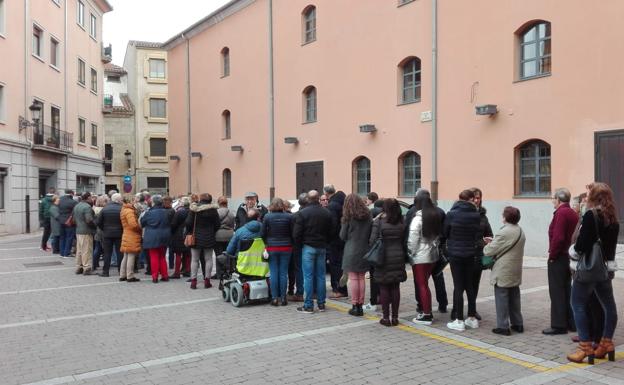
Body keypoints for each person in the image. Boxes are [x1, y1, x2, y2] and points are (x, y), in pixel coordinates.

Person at [567, 182, 619, 364]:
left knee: (577, 304)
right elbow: (611, 249)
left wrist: (572, 252)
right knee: (609, 306)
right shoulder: (613, 218)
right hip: (604, 269)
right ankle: (606, 343)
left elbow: (582, 245)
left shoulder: (591, 215)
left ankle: (585, 347)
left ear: (593, 197)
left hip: (588, 269)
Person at [483, 206, 526, 336]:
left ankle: (503, 326)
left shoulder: (504, 232)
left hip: (503, 270)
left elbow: (489, 251)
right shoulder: (519, 230)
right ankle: (518, 324)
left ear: (506, 217)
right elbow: (506, 244)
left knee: (501, 297)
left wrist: (488, 244)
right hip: (515, 269)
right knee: (514, 297)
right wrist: (494, 241)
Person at [405, 189, 449, 314]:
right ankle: (443, 303)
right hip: (435, 252)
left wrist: (409, 253)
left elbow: (409, 234)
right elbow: (444, 232)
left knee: (420, 283)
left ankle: (422, 307)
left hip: (419, 254)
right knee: (438, 278)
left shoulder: (414, 213)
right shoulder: (438, 212)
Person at [543, 188, 579, 335]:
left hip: (559, 257)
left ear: (558, 200)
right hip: (568, 256)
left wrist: (552, 255)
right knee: (567, 290)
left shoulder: (561, 213)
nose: (552, 200)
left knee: (557, 291)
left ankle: (558, 325)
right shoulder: (572, 212)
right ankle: (571, 322)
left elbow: (558, 238)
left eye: (553, 198)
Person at [444, 189, 481, 331]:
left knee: (458, 287)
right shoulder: (476, 215)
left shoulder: (452, 214)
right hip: (470, 253)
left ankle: (459, 320)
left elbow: (445, 232)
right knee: (469, 286)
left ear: (459, 199)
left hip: (455, 254)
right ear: (471, 199)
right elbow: (477, 233)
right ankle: (471, 318)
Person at [293, 190, 335, 314]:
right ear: (318, 199)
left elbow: (296, 234)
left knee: (308, 276)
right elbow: (332, 231)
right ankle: (321, 304)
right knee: (321, 276)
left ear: (308, 200)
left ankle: (308, 305)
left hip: (308, 247)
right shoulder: (326, 213)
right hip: (321, 246)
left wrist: (300, 244)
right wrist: (325, 242)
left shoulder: (302, 213)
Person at [370, 198, 407, 326]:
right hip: (398, 256)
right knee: (395, 287)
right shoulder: (402, 221)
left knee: (384, 286)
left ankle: (386, 318)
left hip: (383, 257)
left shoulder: (379, 221)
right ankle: (395, 317)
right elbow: (405, 240)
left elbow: (372, 240)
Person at [339, 193, 372, 317]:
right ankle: (361, 305)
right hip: (364, 249)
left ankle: (355, 305)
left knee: (353, 278)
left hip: (351, 250)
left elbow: (342, 236)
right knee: (361, 278)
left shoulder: (348, 216)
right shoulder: (368, 214)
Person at [262, 197, 294, 306]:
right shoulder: (289, 217)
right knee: (283, 273)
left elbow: (262, 233)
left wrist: (266, 242)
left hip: (272, 248)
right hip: (286, 247)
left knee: (273, 273)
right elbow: (293, 233)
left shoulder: (267, 217)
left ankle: (275, 298)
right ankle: (284, 298)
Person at [185, 193, 220, 289]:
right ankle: (207, 281)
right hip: (209, 237)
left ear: (200, 199)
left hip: (196, 237)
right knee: (208, 259)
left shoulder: (194, 209)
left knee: (194, 260)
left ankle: (193, 281)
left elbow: (188, 222)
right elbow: (218, 224)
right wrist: (212, 231)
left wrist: (190, 231)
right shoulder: (213, 210)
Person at [469, 187, 493, 321]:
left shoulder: (483, 216)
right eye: (474, 198)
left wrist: (487, 240)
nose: (476, 200)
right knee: (460, 285)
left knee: (474, 284)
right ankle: (457, 310)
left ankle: (472, 310)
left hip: (478, 255)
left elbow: (489, 234)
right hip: (464, 254)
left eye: (478, 198)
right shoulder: (461, 213)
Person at [140, 195, 172, 283]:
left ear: (153, 202)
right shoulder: (167, 212)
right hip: (164, 235)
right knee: (162, 256)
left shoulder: (149, 212)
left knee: (154, 256)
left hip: (152, 236)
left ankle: (155, 277)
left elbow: (142, 223)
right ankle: (165, 275)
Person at [324, 184, 348, 298]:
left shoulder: (332, 205)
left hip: (335, 240)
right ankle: (343, 288)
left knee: (335, 265)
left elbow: (332, 225)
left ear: (326, 193)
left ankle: (338, 289)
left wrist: (328, 238)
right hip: (344, 238)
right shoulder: (343, 201)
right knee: (341, 265)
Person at [97, 193, 123, 277]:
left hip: (107, 234)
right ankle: (121, 271)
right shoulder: (121, 208)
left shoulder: (105, 209)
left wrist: (104, 229)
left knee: (107, 253)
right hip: (119, 233)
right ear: (118, 200)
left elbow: (98, 222)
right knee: (119, 253)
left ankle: (105, 272)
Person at [288, 193, 308, 302]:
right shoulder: (318, 212)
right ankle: (314, 293)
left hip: (298, 246)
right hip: (314, 244)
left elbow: (293, 233)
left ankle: (300, 292)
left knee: (299, 269)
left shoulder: (295, 216)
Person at [72, 192, 95, 275]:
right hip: (86, 231)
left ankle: (79, 267)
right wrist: (95, 225)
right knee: (86, 250)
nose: (92, 199)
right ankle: (87, 267)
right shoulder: (87, 207)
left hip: (78, 230)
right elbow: (89, 220)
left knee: (79, 250)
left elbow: (73, 220)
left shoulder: (77, 206)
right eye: (91, 197)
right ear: (88, 198)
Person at [119, 195, 141, 282]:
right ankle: (130, 275)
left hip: (126, 234)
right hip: (131, 235)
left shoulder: (124, 209)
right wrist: (140, 228)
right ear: (130, 201)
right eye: (135, 200)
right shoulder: (129, 211)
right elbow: (133, 224)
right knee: (131, 255)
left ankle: (123, 275)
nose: (135, 202)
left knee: (126, 256)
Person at [214, 196, 235, 281]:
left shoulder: (216, 212)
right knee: (228, 254)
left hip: (218, 236)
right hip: (229, 236)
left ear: (219, 203)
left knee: (218, 255)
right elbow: (233, 224)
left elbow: (214, 225)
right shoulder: (231, 213)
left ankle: (219, 274)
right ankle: (228, 272)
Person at [170, 196, 191, 279]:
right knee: (187, 253)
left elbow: (174, 224)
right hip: (189, 233)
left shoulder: (179, 212)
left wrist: (172, 232)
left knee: (178, 254)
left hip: (179, 234)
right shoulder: (192, 212)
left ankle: (177, 272)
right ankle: (187, 270)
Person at [58, 189, 78, 258]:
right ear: (72, 194)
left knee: (62, 237)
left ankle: (61, 253)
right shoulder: (73, 202)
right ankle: (66, 253)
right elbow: (75, 212)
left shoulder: (60, 200)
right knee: (69, 237)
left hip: (61, 221)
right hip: (69, 222)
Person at [92, 195, 109, 270]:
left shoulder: (94, 209)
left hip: (97, 230)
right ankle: (106, 265)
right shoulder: (104, 210)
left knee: (97, 248)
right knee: (106, 249)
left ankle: (94, 264)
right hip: (104, 230)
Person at [39, 187, 56, 251]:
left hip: (46, 217)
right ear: (54, 192)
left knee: (46, 232)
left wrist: (41, 219)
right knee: (53, 232)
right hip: (53, 217)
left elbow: (41, 210)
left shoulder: (43, 200)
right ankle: (50, 246)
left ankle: (43, 245)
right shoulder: (55, 199)